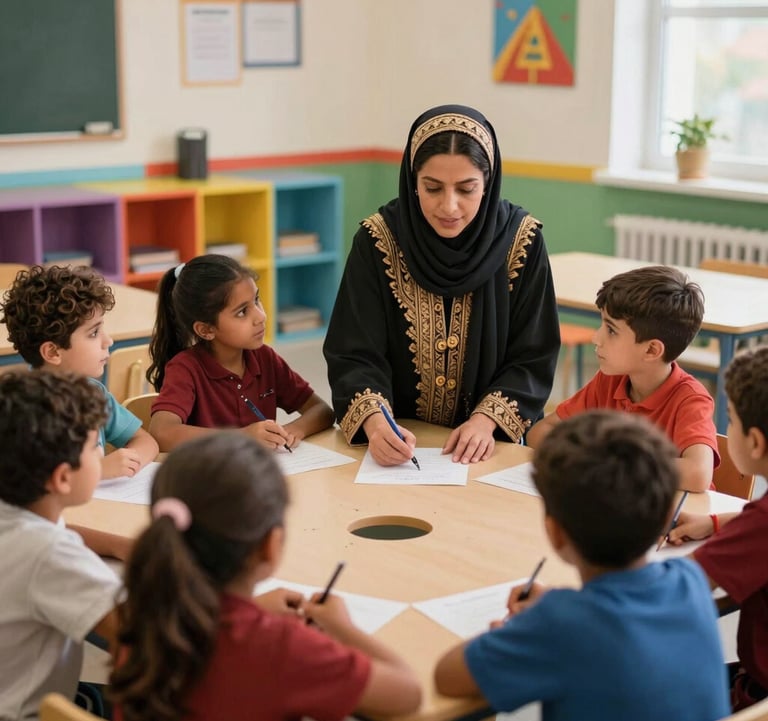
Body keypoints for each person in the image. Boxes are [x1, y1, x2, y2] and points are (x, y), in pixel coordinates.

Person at [434, 410, 729, 721]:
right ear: (661, 518)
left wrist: (513, 632)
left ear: (555, 532)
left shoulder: (559, 625)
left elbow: (447, 676)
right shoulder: (689, 580)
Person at [109, 432, 421, 721]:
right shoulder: (282, 648)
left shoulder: (143, 616)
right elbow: (408, 693)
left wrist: (254, 610)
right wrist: (343, 626)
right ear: (270, 546)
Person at [323, 104, 560, 467]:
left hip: (490, 447)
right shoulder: (378, 239)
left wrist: (485, 421)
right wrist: (374, 422)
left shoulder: (521, 241)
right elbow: (354, 351)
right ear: (412, 181)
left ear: (488, 183)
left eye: (467, 189)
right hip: (399, 445)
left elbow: (533, 355)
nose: (449, 207)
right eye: (432, 188)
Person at [526, 265, 718, 492]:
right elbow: (540, 432)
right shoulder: (610, 380)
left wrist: (609, 464)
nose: (596, 338)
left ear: (651, 350)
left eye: (612, 330)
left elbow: (698, 474)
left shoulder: (690, 399)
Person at [0, 370, 123, 720]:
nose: (100, 456)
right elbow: (137, 629)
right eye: (92, 448)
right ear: (62, 478)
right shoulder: (50, 554)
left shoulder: (21, 511)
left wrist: (116, 545)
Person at [146, 254, 334, 452]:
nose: (261, 316)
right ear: (206, 330)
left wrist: (292, 430)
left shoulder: (265, 358)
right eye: (242, 312)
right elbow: (162, 432)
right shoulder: (186, 368)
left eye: (257, 300)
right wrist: (242, 436)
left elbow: (322, 410)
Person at [669, 346, 768, 711]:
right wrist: (713, 522)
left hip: (757, 701)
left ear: (755, 442)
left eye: (731, 420)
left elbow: (679, 585)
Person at [0, 264, 159, 480]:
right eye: (94, 333)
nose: (108, 340)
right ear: (53, 351)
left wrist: (130, 458)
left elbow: (146, 441)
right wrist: (98, 471)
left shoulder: (94, 392)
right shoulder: (23, 408)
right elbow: (29, 481)